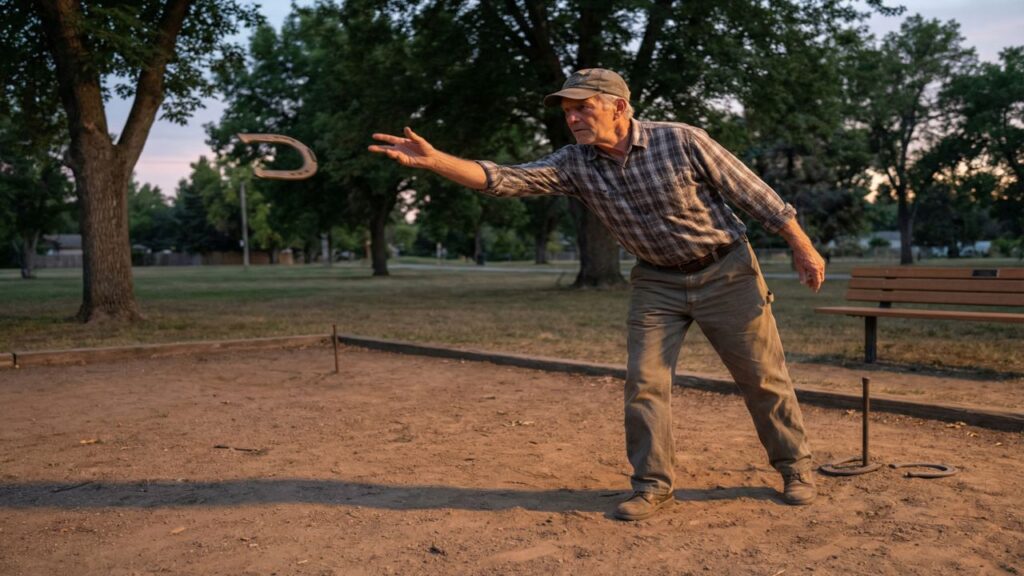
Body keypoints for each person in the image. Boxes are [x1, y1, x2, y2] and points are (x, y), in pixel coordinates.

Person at [369, 68, 824, 521]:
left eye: (583, 107)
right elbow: (506, 179)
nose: (573, 119)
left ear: (619, 107)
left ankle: (795, 468)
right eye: (568, 111)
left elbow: (754, 193)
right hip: (656, 281)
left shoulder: (682, 140)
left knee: (762, 377)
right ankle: (652, 487)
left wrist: (802, 246)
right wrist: (436, 161)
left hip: (727, 272)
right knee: (644, 384)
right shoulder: (574, 163)